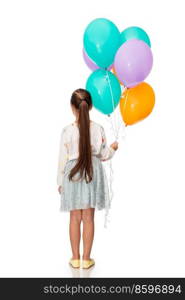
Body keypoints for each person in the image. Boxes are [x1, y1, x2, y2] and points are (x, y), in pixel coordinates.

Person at [57, 88, 118, 269]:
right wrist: (114, 148)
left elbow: (62, 158)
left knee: (75, 217)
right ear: (90, 106)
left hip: (73, 173)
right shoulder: (98, 129)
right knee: (89, 218)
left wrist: (60, 182)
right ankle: (86, 258)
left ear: (72, 107)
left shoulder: (67, 131)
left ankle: (75, 258)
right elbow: (103, 154)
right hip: (92, 172)